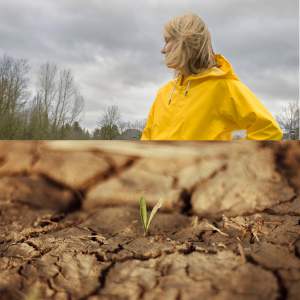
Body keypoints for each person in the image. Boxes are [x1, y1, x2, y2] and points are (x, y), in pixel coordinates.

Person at [140, 13, 283, 140]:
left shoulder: (223, 87)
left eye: (167, 41)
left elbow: (269, 132)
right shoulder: (163, 93)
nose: (163, 50)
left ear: (185, 41)